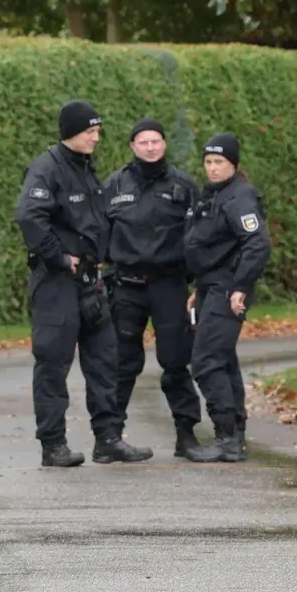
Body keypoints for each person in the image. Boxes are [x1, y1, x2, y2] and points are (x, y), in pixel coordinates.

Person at [14, 100, 153, 467]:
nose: (96, 136)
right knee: (52, 364)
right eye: (90, 130)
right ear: (71, 132)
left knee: (105, 361)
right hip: (57, 284)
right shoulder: (47, 169)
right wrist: (58, 256)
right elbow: (29, 217)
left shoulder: (86, 168)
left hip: (91, 282)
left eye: (97, 129)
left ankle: (108, 439)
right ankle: (53, 444)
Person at [101, 118, 204, 457]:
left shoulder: (183, 186)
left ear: (164, 145)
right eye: (143, 142)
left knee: (175, 361)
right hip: (126, 287)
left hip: (169, 286)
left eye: (156, 141)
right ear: (132, 146)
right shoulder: (114, 185)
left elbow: (200, 237)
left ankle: (186, 434)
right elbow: (100, 234)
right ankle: (110, 437)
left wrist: (198, 281)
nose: (150, 147)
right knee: (122, 363)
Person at [183, 133, 272, 463]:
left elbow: (257, 244)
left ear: (233, 164)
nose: (212, 168)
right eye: (208, 162)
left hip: (227, 291)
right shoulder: (216, 195)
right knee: (223, 361)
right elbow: (217, 248)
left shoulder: (239, 198)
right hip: (212, 288)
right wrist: (200, 288)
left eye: (219, 162)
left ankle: (226, 437)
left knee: (206, 362)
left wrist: (240, 287)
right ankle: (235, 434)